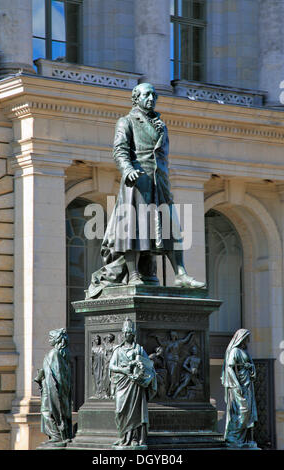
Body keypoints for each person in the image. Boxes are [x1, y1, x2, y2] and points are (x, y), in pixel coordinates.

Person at [87, 82, 205, 298]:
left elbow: (162, 155)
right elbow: (120, 149)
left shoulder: (161, 124)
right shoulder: (127, 121)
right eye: (146, 95)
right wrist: (127, 169)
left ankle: (180, 273)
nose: (151, 98)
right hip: (138, 181)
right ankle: (133, 275)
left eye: (154, 95)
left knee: (170, 225)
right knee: (133, 229)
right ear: (136, 98)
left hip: (159, 181)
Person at [109, 318, 157, 448]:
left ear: (133, 334)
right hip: (122, 384)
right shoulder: (117, 350)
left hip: (135, 386)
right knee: (119, 411)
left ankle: (134, 438)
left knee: (135, 412)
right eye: (124, 332)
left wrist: (141, 373)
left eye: (129, 333)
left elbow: (149, 367)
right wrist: (123, 370)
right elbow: (112, 366)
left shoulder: (139, 350)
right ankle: (123, 436)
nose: (126, 335)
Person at [34, 328, 72, 447]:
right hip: (53, 387)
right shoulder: (60, 353)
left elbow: (56, 375)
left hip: (51, 389)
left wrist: (55, 391)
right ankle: (58, 435)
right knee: (50, 411)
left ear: (57, 339)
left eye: (51, 337)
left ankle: (56, 436)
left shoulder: (54, 353)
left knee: (46, 411)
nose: (49, 339)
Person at [221, 329, 258, 448]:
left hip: (247, 385)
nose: (249, 340)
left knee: (248, 412)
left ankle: (242, 439)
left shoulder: (244, 351)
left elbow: (250, 366)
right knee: (242, 411)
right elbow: (230, 368)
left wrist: (250, 368)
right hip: (238, 386)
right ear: (242, 338)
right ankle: (233, 437)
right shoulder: (235, 351)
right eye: (247, 337)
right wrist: (236, 384)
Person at [155, 330, 194, 397]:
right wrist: (157, 337)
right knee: (170, 375)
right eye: (171, 335)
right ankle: (169, 390)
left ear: (176, 336)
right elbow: (161, 343)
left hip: (175, 361)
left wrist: (190, 334)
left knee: (174, 376)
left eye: (173, 335)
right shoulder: (168, 343)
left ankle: (172, 390)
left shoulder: (178, 342)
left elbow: (185, 340)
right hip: (169, 361)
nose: (172, 337)